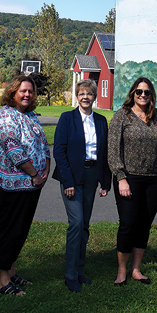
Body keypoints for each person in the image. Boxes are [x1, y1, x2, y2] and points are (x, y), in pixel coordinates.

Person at [108, 77, 157, 286]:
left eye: (146, 92)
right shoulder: (122, 116)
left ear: (152, 94)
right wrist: (121, 177)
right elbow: (113, 150)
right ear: (132, 94)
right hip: (130, 178)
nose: (143, 95)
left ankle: (136, 269)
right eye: (139, 92)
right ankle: (121, 271)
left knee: (144, 225)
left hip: (155, 180)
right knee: (128, 224)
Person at [0, 74, 50, 296]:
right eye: (23, 90)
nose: (27, 94)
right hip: (10, 184)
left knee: (20, 230)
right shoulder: (6, 116)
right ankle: (2, 281)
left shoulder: (31, 116)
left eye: (30, 91)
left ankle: (12, 271)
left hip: (31, 184)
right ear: (13, 92)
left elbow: (43, 143)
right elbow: (12, 147)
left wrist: (46, 167)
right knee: (10, 230)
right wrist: (34, 173)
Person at [52, 79, 111, 293]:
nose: (85, 97)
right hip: (72, 176)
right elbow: (59, 150)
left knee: (84, 224)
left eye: (89, 93)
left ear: (95, 97)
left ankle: (79, 271)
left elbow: (105, 154)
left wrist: (106, 181)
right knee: (76, 223)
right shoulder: (67, 118)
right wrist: (68, 182)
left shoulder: (102, 121)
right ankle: (70, 275)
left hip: (92, 174)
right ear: (77, 97)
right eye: (81, 93)